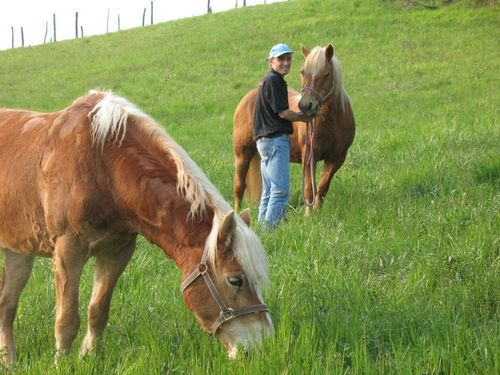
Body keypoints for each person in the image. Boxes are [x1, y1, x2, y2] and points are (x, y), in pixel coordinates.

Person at [253, 43, 311, 230]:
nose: (286, 63)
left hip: (264, 142)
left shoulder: (265, 81)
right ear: (271, 61)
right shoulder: (275, 81)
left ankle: (261, 233)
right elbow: (283, 113)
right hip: (275, 140)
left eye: (288, 59)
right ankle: (270, 232)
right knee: (280, 191)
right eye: (281, 59)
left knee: (269, 191)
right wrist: (305, 117)